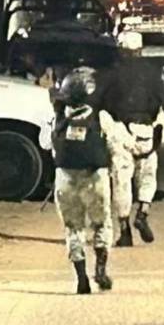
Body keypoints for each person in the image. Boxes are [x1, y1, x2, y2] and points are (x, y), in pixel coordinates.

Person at [105, 31, 164, 247]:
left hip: (120, 130)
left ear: (121, 49)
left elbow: (101, 102)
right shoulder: (153, 72)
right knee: (148, 176)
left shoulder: (111, 72)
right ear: (140, 50)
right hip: (147, 132)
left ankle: (124, 230)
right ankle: (143, 211)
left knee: (121, 180)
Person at [51, 68, 115, 294]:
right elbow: (114, 145)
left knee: (73, 228)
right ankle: (101, 269)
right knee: (101, 223)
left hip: (65, 178)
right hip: (95, 177)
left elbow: (48, 145)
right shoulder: (101, 117)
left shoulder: (58, 119)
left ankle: (81, 278)